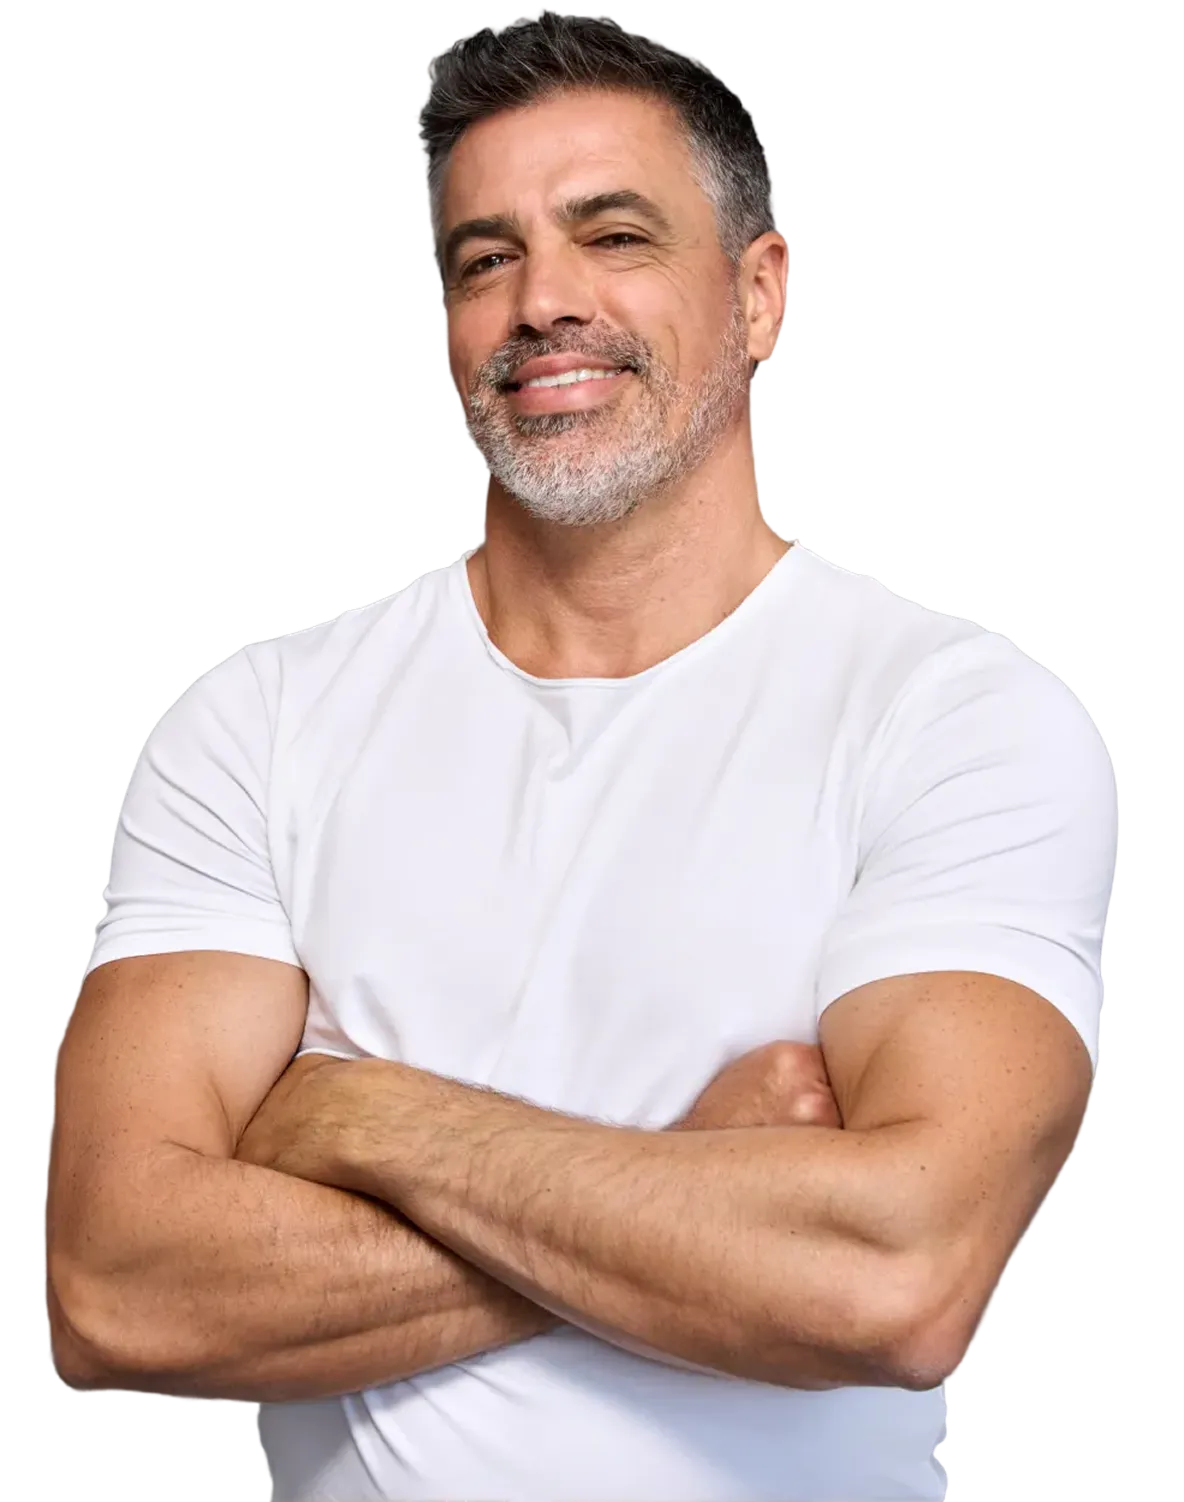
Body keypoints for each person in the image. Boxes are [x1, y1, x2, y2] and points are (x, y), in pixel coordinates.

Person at [45, 12, 1116, 1501]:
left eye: (612, 235)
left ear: (761, 295)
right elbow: (115, 1286)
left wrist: (359, 1114)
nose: (542, 300)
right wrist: (687, 1166)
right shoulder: (255, 721)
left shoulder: (956, 711)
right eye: (484, 258)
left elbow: (899, 1277)